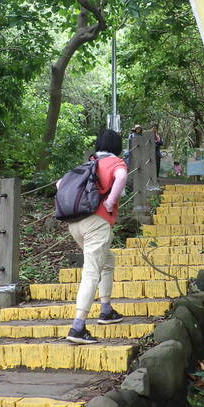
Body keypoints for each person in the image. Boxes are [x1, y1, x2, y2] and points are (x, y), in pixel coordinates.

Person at [64, 129, 127, 344]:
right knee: (91, 272)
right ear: (116, 147)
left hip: (76, 223)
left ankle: (106, 309)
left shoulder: (88, 163)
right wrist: (109, 202)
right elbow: (121, 177)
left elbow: (59, 184)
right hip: (97, 223)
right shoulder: (115, 162)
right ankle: (78, 327)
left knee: (107, 261)